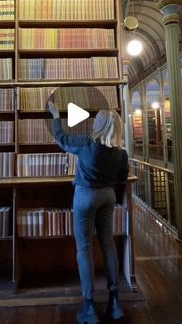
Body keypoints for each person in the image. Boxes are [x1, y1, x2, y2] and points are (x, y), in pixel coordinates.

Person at [48, 101, 129, 324]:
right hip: (108, 196)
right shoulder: (121, 153)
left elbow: (62, 139)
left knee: (84, 249)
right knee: (108, 245)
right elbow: (122, 179)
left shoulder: (86, 144)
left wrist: (55, 115)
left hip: (85, 197)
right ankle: (114, 303)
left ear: (99, 125)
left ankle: (89, 306)